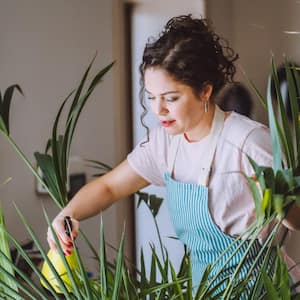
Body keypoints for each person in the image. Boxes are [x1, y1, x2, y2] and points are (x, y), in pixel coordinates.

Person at [48, 14, 300, 296]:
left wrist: (283, 206)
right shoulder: (166, 144)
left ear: (204, 90)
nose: (158, 110)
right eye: (152, 97)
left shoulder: (249, 142)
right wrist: (67, 214)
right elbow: (108, 187)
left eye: (171, 98)